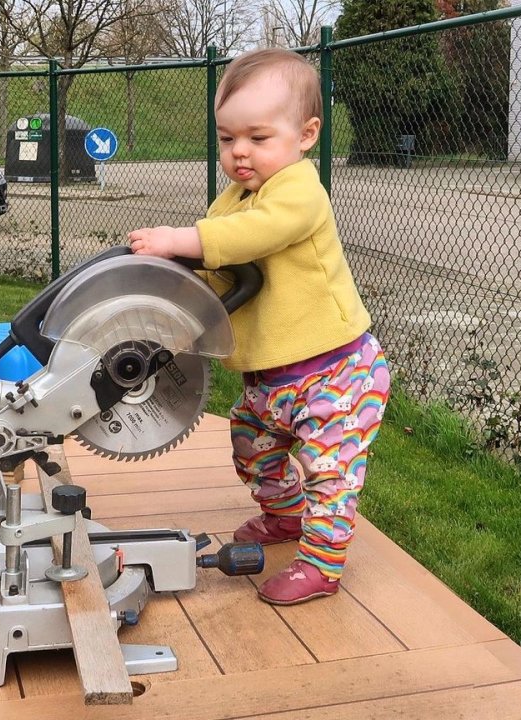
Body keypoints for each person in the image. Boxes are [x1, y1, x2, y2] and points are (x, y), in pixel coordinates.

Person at [128, 48, 390, 605]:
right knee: (250, 446)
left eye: (257, 137)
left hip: (336, 373)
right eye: (226, 139)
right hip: (270, 378)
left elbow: (250, 237)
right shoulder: (237, 195)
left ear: (306, 134)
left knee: (330, 473)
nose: (239, 152)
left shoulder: (300, 190)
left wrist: (182, 240)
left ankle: (322, 564)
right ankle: (284, 514)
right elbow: (220, 259)